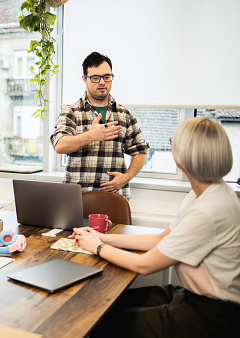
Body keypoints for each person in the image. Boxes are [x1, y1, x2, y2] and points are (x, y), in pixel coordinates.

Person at [73, 117, 240, 337]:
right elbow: (161, 239)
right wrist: (101, 237)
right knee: (111, 304)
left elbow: (144, 265)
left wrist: (97, 248)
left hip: (212, 314)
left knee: (103, 323)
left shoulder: (208, 210)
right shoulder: (204, 192)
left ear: (182, 157)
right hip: (190, 295)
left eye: (173, 143)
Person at [50, 51, 149, 199]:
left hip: (114, 199)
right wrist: (91, 136)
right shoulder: (71, 112)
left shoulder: (124, 114)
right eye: (95, 77)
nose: (102, 82)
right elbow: (59, 145)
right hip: (77, 199)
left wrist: (125, 178)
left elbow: (140, 151)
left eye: (106, 77)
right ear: (84, 79)